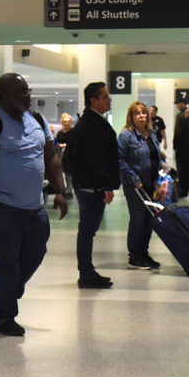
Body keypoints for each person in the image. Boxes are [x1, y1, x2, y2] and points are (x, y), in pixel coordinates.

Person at [0, 73, 67, 336]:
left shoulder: (37, 120)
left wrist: (61, 191)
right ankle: (4, 316)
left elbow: (51, 158)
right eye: (20, 92)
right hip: (2, 206)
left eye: (27, 91)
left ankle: (5, 291)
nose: (27, 96)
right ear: (3, 95)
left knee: (35, 253)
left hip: (35, 207)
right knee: (7, 261)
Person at [71, 82, 120, 289]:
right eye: (105, 96)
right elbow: (96, 159)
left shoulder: (90, 121)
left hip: (88, 184)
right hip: (91, 187)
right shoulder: (92, 124)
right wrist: (106, 186)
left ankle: (87, 271)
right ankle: (86, 273)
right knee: (87, 231)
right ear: (94, 100)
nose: (109, 99)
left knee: (87, 230)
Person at [118, 101, 163, 271]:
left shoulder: (151, 134)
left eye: (144, 113)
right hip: (135, 185)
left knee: (149, 220)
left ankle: (144, 253)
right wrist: (134, 178)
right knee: (137, 220)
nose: (141, 116)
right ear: (131, 117)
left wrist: (163, 167)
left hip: (152, 184)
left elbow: (156, 155)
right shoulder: (126, 136)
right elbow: (120, 161)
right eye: (137, 113)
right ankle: (134, 257)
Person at [55, 112, 75, 199]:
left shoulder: (73, 132)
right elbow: (57, 143)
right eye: (65, 122)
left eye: (68, 121)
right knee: (61, 174)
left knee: (69, 174)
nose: (67, 123)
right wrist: (60, 145)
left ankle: (69, 191)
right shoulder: (60, 133)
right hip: (61, 155)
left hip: (71, 156)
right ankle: (63, 190)